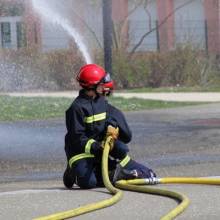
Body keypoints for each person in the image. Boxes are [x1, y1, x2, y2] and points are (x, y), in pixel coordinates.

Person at [63, 64, 156, 189]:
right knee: (88, 182)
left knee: (124, 152)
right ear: (92, 86)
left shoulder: (100, 100)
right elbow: (77, 139)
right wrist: (97, 146)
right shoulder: (76, 108)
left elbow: (111, 120)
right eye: (102, 84)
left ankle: (133, 172)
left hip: (102, 148)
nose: (105, 86)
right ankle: (73, 171)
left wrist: (112, 125)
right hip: (81, 152)